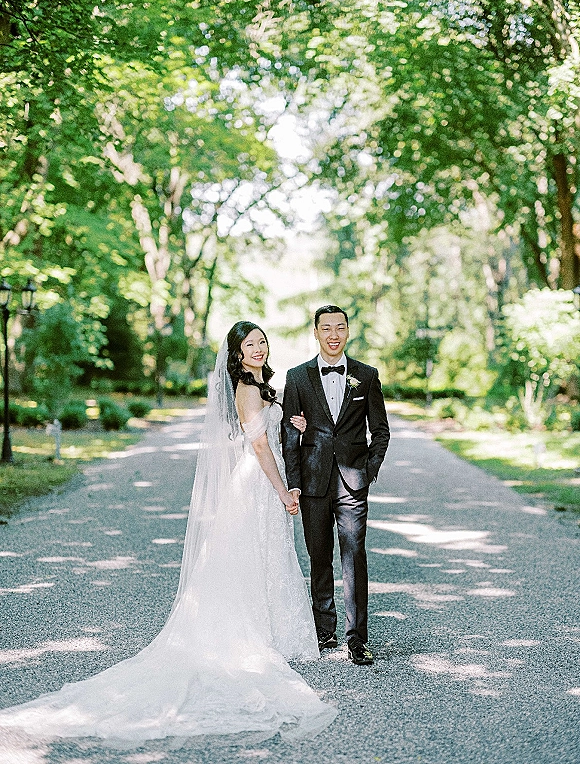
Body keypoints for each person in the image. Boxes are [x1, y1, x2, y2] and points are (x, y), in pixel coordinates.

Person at [0, 322, 337, 747]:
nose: (258, 348)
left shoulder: (261, 386)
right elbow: (258, 447)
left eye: (262, 342)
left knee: (262, 555)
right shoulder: (248, 389)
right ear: (236, 353)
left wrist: (297, 424)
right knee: (256, 555)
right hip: (257, 482)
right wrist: (282, 488)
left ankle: (271, 630)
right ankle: (255, 635)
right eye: (249, 344)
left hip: (256, 482)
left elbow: (271, 430)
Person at [282, 305, 390, 666]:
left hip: (353, 484)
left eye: (340, 327)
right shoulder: (297, 377)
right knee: (318, 558)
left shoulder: (367, 376)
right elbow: (288, 436)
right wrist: (293, 484)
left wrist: (369, 468)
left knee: (354, 557)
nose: (333, 334)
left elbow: (381, 430)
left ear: (348, 332)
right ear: (315, 332)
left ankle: (357, 638)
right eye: (326, 328)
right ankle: (323, 631)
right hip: (312, 483)